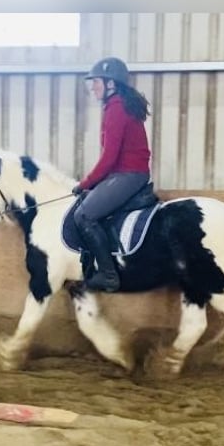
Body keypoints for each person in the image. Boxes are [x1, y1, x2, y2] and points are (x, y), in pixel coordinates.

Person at [72, 56, 152, 292]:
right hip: (127, 172)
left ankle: (108, 276)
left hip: (129, 174)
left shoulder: (116, 108)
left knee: (83, 216)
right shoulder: (118, 104)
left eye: (96, 82)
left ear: (111, 84)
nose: (93, 87)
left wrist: (85, 183)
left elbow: (109, 158)